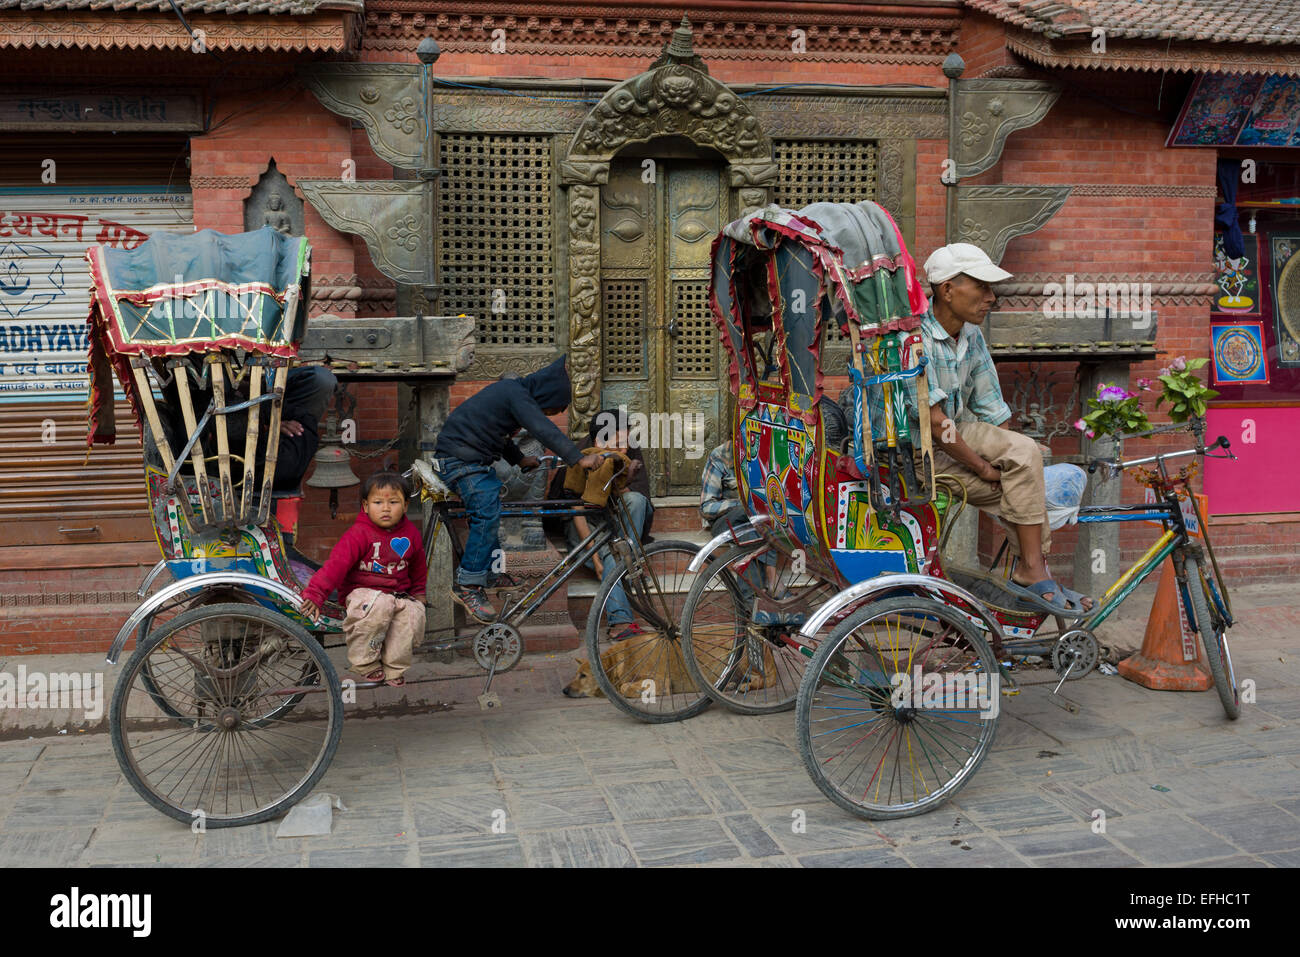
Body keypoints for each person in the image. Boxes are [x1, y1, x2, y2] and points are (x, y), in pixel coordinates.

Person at [872, 242, 1090, 614]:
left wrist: (1012, 457)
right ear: (947, 289)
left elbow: (992, 411)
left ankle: (1033, 574)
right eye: (982, 287)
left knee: (1025, 478)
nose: (991, 297)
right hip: (911, 450)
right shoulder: (911, 339)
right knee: (1020, 461)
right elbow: (938, 424)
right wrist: (986, 467)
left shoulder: (971, 335)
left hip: (948, 443)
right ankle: (1034, 571)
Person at [434, 354, 602, 622]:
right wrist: (579, 458)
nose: (549, 415)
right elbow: (544, 429)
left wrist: (520, 459)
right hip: (459, 460)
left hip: (471, 460)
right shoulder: (515, 392)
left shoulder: (512, 394)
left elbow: (497, 434)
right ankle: (469, 585)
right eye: (551, 410)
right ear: (546, 398)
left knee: (492, 508)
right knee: (486, 512)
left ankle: (488, 572)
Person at [299, 470, 427, 687]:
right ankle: (365, 663)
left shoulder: (411, 534)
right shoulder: (358, 534)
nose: (385, 508)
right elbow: (335, 566)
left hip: (397, 594)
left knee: (413, 614)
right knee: (381, 604)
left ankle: (394, 667)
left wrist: (418, 592)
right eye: (378, 502)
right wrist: (316, 593)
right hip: (362, 594)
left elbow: (418, 566)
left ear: (405, 506)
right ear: (366, 506)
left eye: (393, 502)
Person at [555, 409, 654, 641]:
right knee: (613, 557)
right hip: (586, 527)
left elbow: (636, 496)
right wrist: (597, 561)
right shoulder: (581, 455)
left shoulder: (628, 453)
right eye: (618, 443)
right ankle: (620, 618)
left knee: (636, 502)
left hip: (619, 525)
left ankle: (625, 567)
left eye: (627, 442)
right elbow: (575, 510)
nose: (625, 448)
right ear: (599, 441)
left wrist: (621, 475)